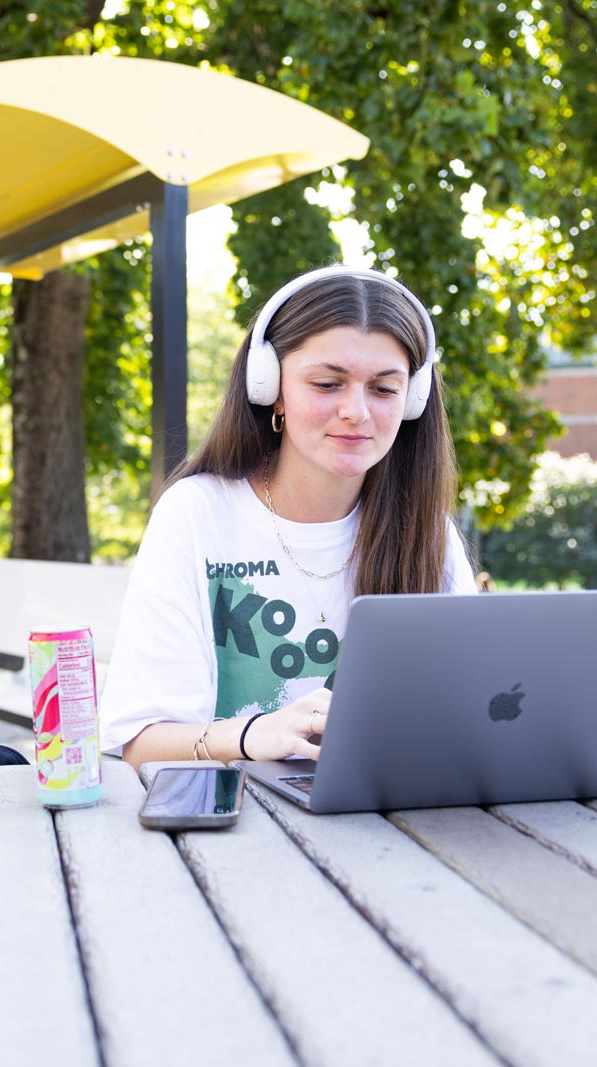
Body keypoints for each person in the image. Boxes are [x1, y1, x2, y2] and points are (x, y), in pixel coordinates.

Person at [100, 265, 477, 770]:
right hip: (233, 822)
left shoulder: (427, 532)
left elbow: (467, 716)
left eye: (385, 390)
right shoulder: (197, 513)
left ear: (413, 398)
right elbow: (141, 742)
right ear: (270, 387)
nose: (357, 412)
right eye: (327, 383)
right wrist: (254, 734)